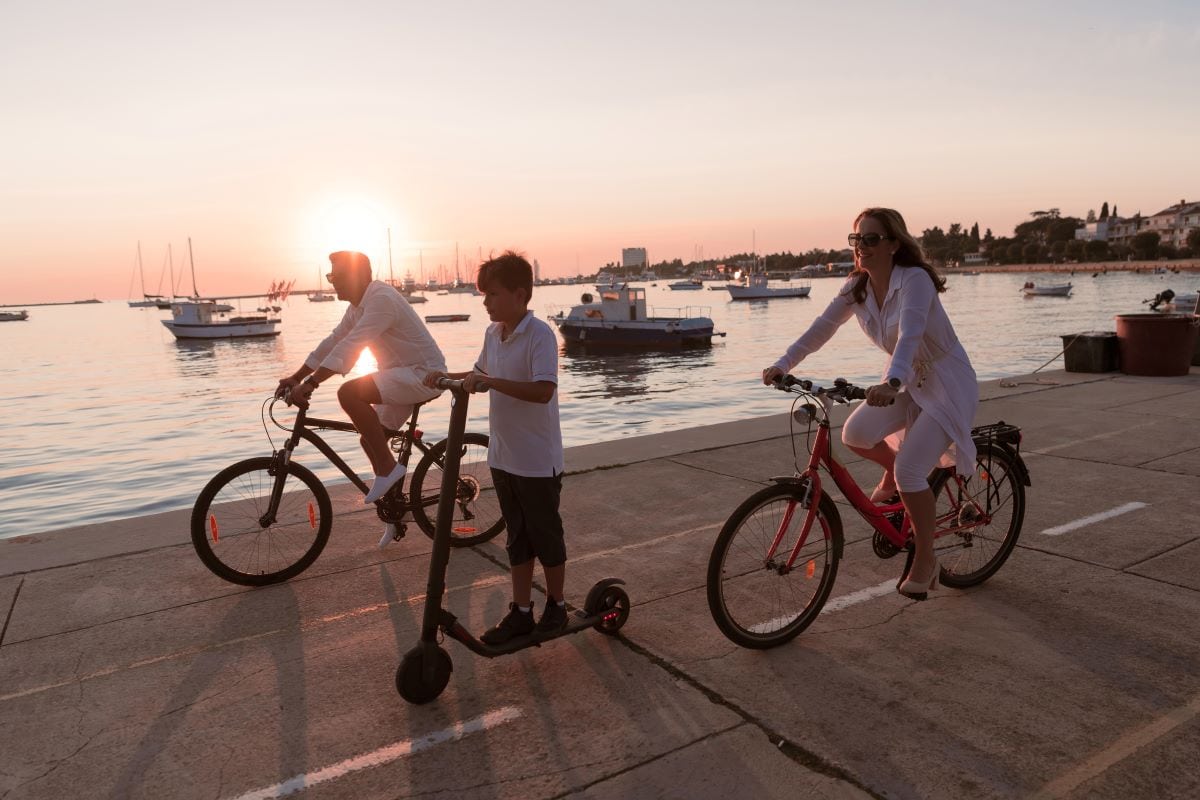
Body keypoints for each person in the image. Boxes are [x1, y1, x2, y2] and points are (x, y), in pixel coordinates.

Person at [762, 208, 978, 598]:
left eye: (871, 239)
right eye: (856, 239)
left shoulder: (914, 281)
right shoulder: (856, 287)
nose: (861, 247)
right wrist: (782, 364)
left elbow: (911, 333)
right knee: (856, 433)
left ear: (894, 244)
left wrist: (893, 381)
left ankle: (926, 559)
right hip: (906, 381)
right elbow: (822, 328)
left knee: (912, 473)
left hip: (945, 382)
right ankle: (896, 476)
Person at [423, 251, 567, 642]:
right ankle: (521, 610)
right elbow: (480, 375)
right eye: (484, 295)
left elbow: (542, 391)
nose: (485, 302)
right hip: (503, 456)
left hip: (537, 461)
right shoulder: (493, 333)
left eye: (493, 295)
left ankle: (557, 605)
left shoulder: (539, 336)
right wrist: (443, 377)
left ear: (520, 295)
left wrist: (493, 383)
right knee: (517, 538)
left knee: (546, 536)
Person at [276, 250, 446, 505]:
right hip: (399, 377)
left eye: (337, 275)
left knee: (348, 393)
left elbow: (353, 345)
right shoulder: (358, 305)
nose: (332, 281)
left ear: (359, 276)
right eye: (329, 275)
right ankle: (397, 508)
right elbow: (334, 341)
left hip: (422, 375)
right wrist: (296, 376)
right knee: (370, 440)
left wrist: (311, 383)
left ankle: (388, 468)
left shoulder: (382, 299)